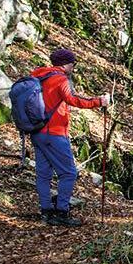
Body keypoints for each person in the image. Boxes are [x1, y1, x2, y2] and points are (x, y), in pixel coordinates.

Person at [30, 48, 109, 226]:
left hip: (37, 132)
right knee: (68, 173)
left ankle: (46, 211)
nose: (74, 67)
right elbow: (73, 99)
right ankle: (61, 212)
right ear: (66, 63)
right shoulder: (60, 79)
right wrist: (99, 102)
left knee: (43, 174)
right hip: (54, 133)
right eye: (73, 63)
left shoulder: (39, 76)